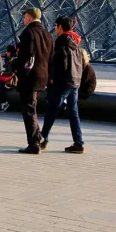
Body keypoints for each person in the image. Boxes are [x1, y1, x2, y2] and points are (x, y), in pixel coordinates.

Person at [39, 16, 86, 153]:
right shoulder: (75, 40)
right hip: (75, 81)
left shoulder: (61, 40)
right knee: (73, 113)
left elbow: (61, 61)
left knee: (52, 110)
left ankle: (43, 139)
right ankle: (78, 143)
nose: (54, 28)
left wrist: (54, 77)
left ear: (60, 27)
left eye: (56, 25)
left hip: (64, 82)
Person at [14, 8, 53, 154]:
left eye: (24, 17)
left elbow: (27, 56)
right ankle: (38, 137)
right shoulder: (48, 34)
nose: (23, 20)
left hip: (30, 76)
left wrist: (19, 70)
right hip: (43, 76)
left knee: (28, 109)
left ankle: (34, 143)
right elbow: (51, 58)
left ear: (29, 17)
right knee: (32, 107)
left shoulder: (28, 32)